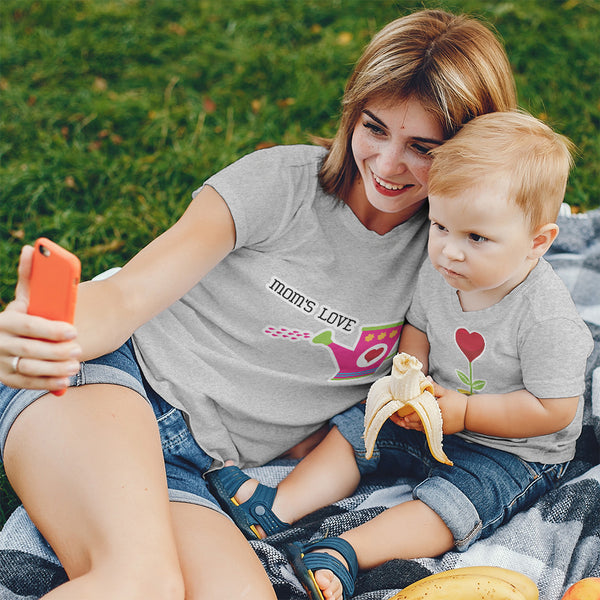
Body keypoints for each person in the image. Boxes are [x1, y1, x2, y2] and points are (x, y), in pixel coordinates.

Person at [0, 9, 517, 599]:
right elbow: (126, 295)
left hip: (200, 466)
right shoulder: (280, 185)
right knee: (139, 583)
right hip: (112, 383)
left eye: (423, 147)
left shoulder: (450, 264)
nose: (387, 163)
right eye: (374, 128)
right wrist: (45, 332)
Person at [218, 110, 594, 600]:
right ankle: (280, 506)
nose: (450, 252)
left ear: (538, 243)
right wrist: (408, 377)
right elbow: (418, 327)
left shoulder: (547, 320)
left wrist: (464, 412)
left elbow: (554, 411)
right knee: (356, 429)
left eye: (476, 238)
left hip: (514, 451)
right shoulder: (441, 273)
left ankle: (345, 550)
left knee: (454, 505)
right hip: (432, 411)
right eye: (440, 226)